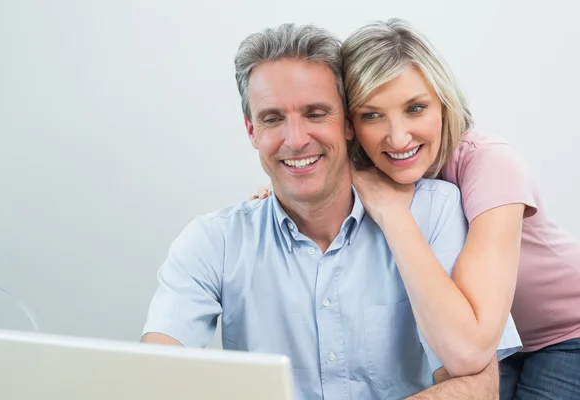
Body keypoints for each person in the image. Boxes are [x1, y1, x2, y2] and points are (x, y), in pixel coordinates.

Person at [141, 23, 520, 399]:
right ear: (251, 130)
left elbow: (477, 385)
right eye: (272, 118)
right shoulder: (214, 241)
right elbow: (154, 373)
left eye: (316, 113)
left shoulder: (438, 208)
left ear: (347, 124)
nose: (296, 140)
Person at [253, 18, 580, 399]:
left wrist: (393, 214)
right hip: (497, 347)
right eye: (371, 115)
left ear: (443, 103)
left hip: (564, 334)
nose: (398, 136)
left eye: (415, 108)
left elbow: (470, 346)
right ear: (348, 123)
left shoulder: (490, 165)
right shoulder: (371, 171)